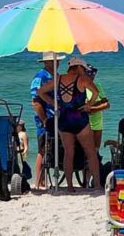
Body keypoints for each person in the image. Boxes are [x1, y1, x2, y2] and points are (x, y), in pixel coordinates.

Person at [37, 56, 102, 192]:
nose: (84, 71)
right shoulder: (83, 79)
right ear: (78, 67)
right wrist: (89, 105)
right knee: (90, 153)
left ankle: (70, 187)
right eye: (83, 68)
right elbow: (96, 92)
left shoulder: (58, 79)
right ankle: (96, 184)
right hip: (79, 118)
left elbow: (41, 92)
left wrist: (52, 102)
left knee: (68, 153)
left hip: (64, 119)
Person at [31, 52, 63, 190]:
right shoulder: (40, 77)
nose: (57, 63)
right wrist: (44, 119)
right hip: (46, 118)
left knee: (53, 147)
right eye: (54, 61)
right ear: (47, 62)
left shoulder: (56, 76)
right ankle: (38, 181)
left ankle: (45, 179)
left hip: (57, 117)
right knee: (43, 149)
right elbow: (36, 102)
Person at [84, 63, 110, 152]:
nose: (92, 76)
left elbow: (107, 104)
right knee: (86, 150)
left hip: (98, 123)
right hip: (86, 124)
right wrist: (99, 104)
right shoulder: (81, 88)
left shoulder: (98, 86)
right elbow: (84, 109)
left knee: (96, 150)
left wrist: (93, 108)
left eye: (93, 73)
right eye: (89, 73)